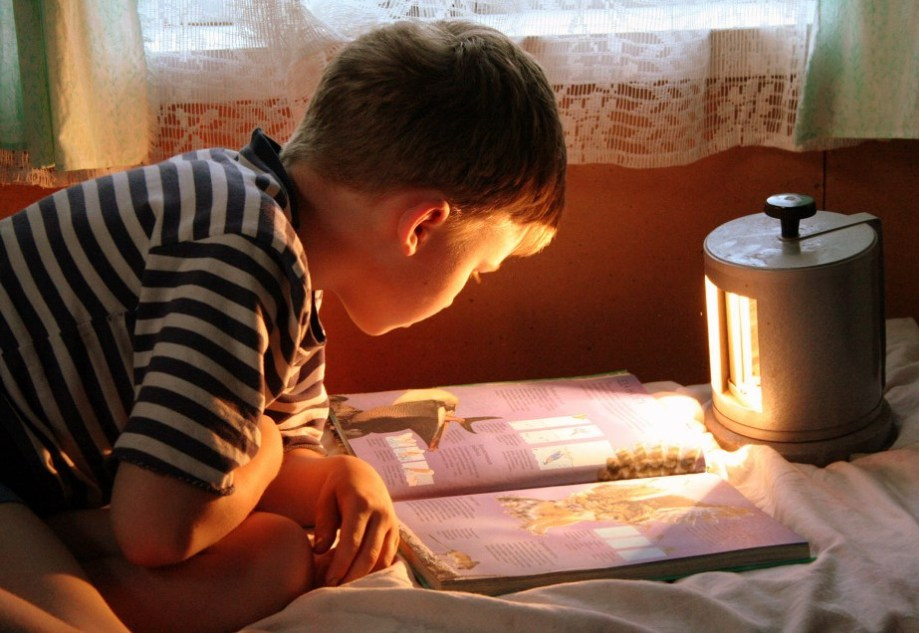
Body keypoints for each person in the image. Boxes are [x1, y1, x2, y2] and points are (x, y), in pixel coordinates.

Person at [0, 18, 566, 633]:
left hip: (33, 481)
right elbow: (158, 533)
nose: (466, 290)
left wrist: (338, 476)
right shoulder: (244, 254)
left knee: (276, 558)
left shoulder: (283, 255)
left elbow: (246, 453)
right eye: (478, 270)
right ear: (421, 226)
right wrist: (268, 447)